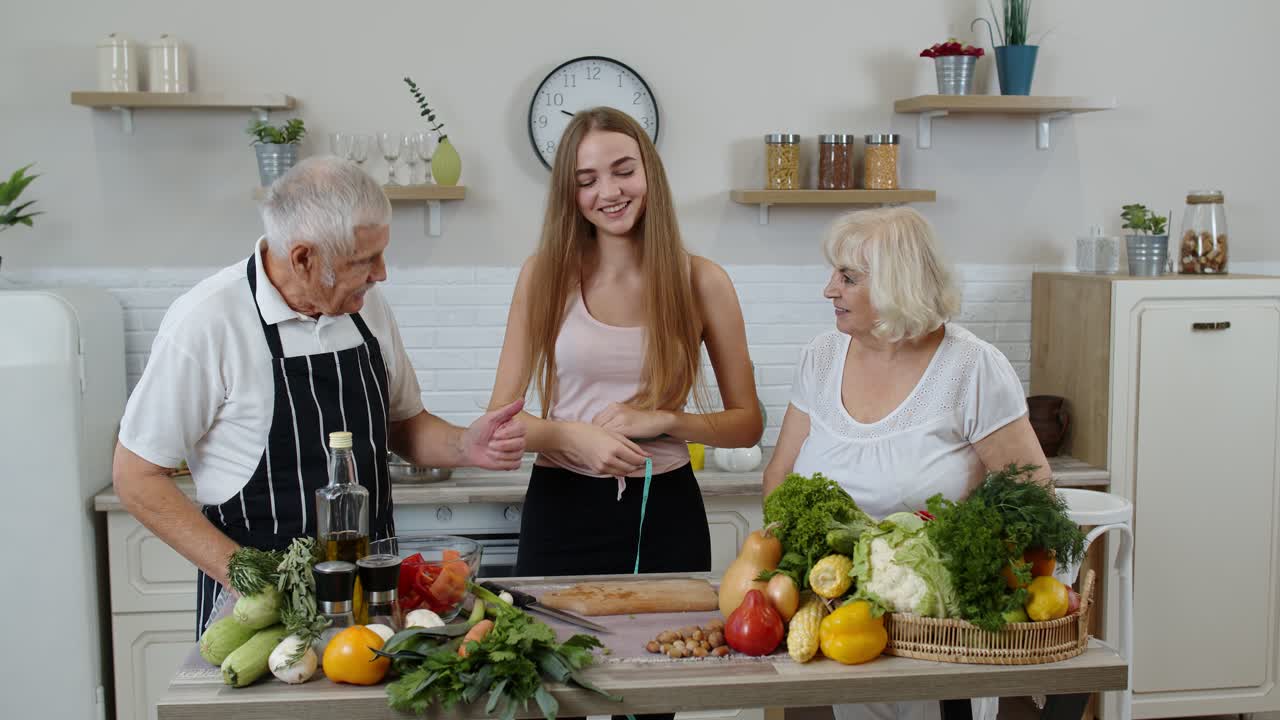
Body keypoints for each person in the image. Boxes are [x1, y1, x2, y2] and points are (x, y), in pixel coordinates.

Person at [112, 156, 526, 637]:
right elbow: (136, 476)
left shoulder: (366, 307)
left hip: (372, 601)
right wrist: (250, 581)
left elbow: (404, 425)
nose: (382, 274)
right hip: (261, 612)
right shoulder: (207, 320)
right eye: (364, 261)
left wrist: (465, 445)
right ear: (304, 258)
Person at [763, 206, 1050, 720]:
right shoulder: (820, 357)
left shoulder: (971, 367)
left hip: (935, 634)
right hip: (831, 624)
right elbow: (779, 477)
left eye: (848, 278)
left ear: (897, 286)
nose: (829, 290)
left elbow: (1034, 501)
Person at [489, 106, 763, 583]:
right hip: (560, 508)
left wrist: (666, 420)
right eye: (587, 180)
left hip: (666, 513)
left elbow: (747, 425)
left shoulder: (703, 282)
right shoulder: (545, 275)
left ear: (649, 172)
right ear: (571, 193)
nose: (610, 192)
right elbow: (500, 420)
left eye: (624, 171)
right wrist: (573, 437)